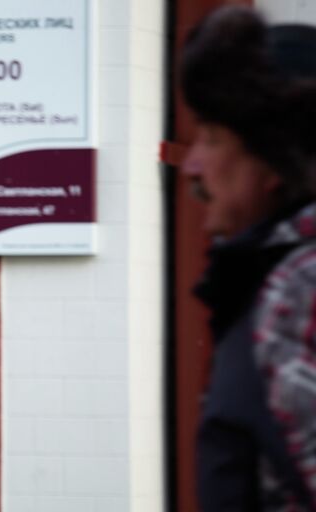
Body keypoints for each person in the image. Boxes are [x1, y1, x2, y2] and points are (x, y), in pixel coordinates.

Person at [180, 6, 316, 510]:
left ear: (275, 158)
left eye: (213, 139)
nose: (192, 165)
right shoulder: (277, 274)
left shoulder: (301, 290)